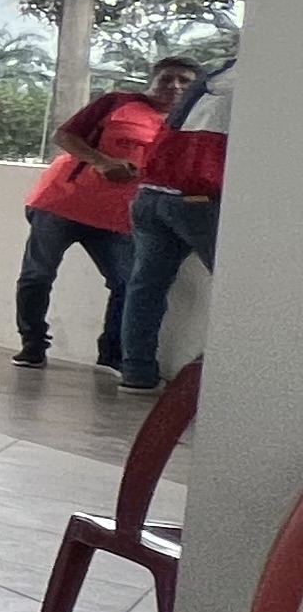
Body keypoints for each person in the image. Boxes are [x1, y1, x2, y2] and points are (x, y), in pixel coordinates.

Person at [15, 57, 194, 371]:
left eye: (184, 81)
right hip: (62, 203)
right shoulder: (117, 103)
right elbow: (64, 136)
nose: (174, 86)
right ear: (153, 79)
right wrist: (101, 161)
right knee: (37, 275)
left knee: (126, 284)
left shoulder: (186, 124)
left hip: (117, 217)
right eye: (167, 78)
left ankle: (112, 354)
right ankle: (33, 344)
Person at [116, 47, 234, 393]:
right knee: (239, 286)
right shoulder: (247, 82)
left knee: (145, 288)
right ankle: (230, 381)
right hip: (197, 199)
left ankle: (136, 373)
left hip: (151, 195)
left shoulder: (212, 80)